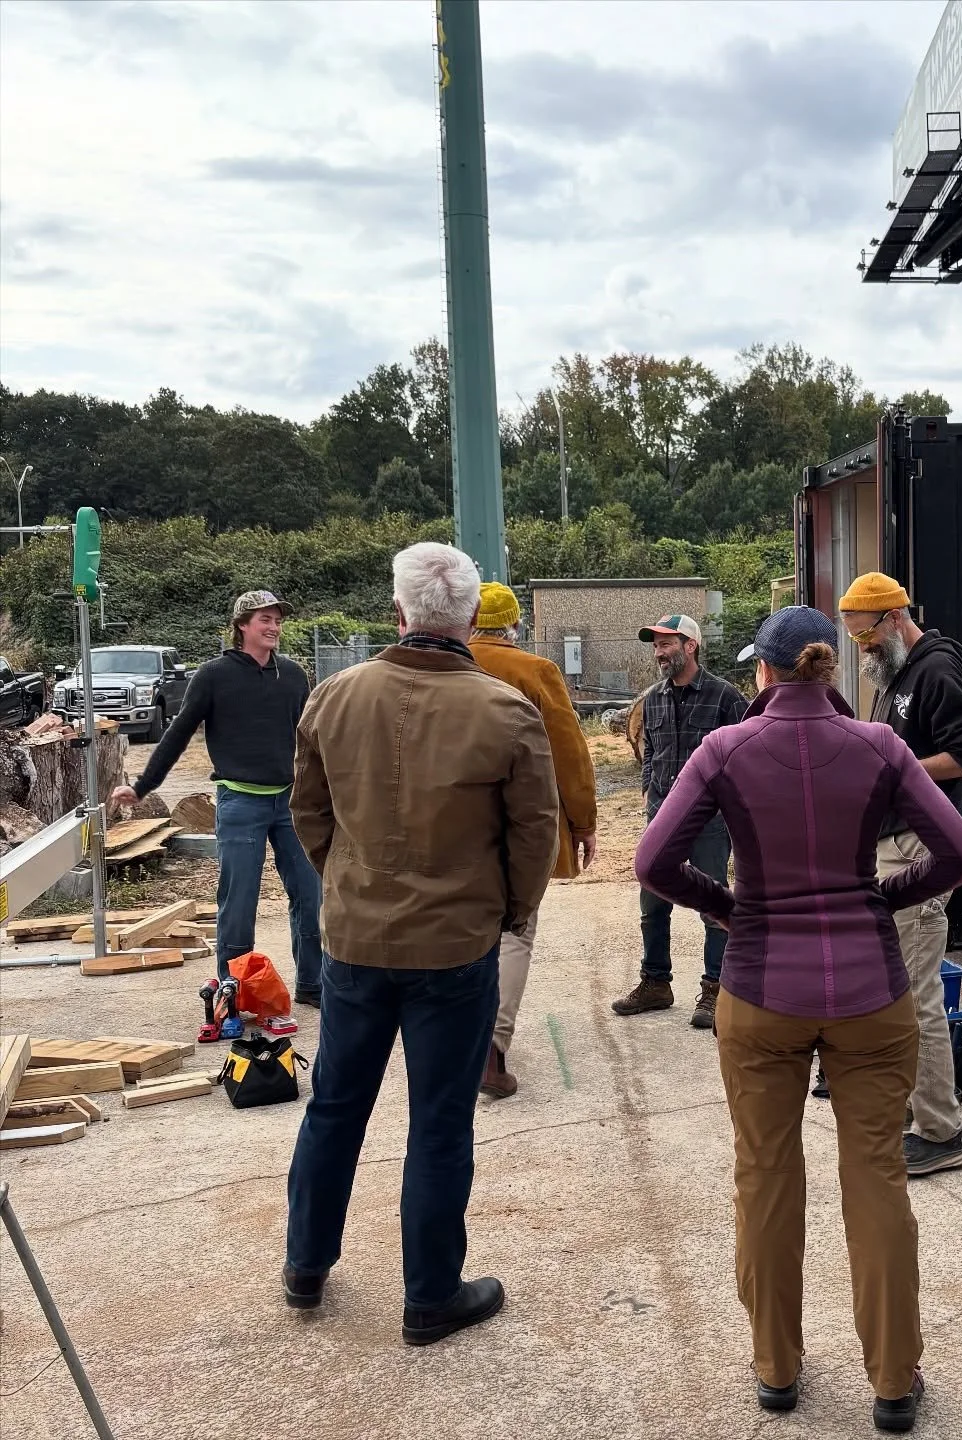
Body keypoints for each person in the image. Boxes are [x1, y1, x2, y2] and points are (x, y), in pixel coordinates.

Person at [635, 607, 962, 1434]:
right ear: (829, 670)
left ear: (764, 671)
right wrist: (878, 898)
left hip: (759, 990)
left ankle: (776, 1370)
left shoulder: (725, 749)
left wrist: (728, 910)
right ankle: (895, 1382)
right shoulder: (880, 747)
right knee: (877, 1179)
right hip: (870, 992)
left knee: (764, 1175)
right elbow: (961, 855)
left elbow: (653, 860)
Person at [282, 543, 559, 1345]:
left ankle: (306, 1264)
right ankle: (430, 1295)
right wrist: (505, 911)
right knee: (439, 1122)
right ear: (473, 619)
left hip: (357, 942)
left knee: (335, 1105)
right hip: (455, 949)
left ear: (396, 613)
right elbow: (532, 834)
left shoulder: (333, 697)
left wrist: (348, 880)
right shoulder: (506, 711)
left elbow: (309, 810)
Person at [837, 572, 962, 1178]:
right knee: (898, 988)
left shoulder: (934, 669)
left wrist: (896, 770)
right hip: (894, 843)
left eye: (866, 637)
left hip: (918, 849)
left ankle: (941, 1131)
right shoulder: (896, 674)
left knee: (916, 994)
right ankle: (921, 1110)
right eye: (853, 640)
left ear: (895, 619)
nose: (862, 650)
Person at [110, 590, 322, 1002]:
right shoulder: (213, 675)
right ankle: (234, 992)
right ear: (242, 625)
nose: (274, 627)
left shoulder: (294, 675)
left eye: (278, 620)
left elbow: (310, 739)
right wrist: (142, 786)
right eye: (265, 619)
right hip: (240, 802)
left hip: (290, 803)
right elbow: (179, 732)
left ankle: (313, 985)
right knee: (238, 903)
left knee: (309, 897)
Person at [468, 581, 598, 1099]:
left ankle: (452, 1042)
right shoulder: (535, 671)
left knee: (460, 934)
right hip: (522, 828)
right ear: (515, 625)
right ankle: (492, 1050)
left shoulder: (441, 665)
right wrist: (584, 821)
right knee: (514, 932)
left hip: (451, 828)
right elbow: (567, 751)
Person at [612, 613, 746, 1028]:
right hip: (662, 817)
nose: (659, 651)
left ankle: (715, 991)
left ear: (691, 646)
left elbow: (742, 756)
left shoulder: (726, 698)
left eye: (667, 643)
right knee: (652, 905)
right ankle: (655, 983)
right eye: (656, 644)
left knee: (713, 905)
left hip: (707, 821)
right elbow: (649, 749)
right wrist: (647, 787)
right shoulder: (652, 698)